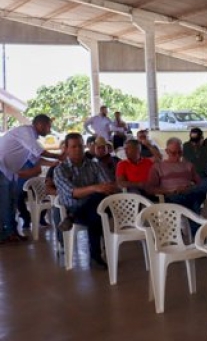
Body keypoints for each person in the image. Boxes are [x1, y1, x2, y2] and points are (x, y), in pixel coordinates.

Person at [53, 133, 119, 268]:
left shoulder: (94, 165)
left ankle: (71, 218)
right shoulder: (60, 169)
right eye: (73, 146)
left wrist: (101, 189)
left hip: (92, 209)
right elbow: (73, 193)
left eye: (80, 146)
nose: (77, 149)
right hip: (73, 207)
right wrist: (95, 188)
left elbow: (108, 186)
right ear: (66, 148)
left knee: (97, 206)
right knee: (97, 207)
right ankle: (95, 256)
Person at [0, 114, 62, 244]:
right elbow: (40, 152)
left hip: (8, 171)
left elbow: (36, 159)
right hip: (2, 168)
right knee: (5, 202)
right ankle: (7, 233)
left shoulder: (30, 138)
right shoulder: (26, 131)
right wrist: (58, 156)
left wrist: (54, 162)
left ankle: (11, 232)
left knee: (11, 202)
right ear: (40, 125)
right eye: (48, 127)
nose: (49, 130)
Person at [146, 138, 207, 214]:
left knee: (199, 193)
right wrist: (172, 190)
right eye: (174, 153)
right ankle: (194, 222)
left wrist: (191, 187)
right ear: (167, 151)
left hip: (189, 193)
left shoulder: (189, 165)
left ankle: (193, 221)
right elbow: (151, 189)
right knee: (187, 199)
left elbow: (199, 183)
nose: (177, 156)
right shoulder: (158, 167)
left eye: (180, 152)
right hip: (171, 195)